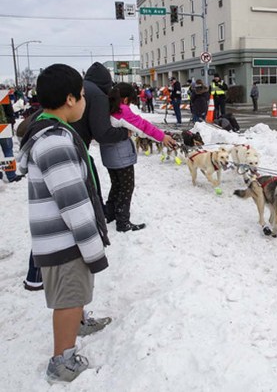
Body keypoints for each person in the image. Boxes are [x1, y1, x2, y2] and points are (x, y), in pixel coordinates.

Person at [17, 64, 111, 383]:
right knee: (69, 296)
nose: (84, 101)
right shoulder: (55, 141)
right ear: (70, 99)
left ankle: (79, 321)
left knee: (77, 291)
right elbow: (72, 202)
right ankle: (62, 359)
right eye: (83, 95)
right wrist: (92, 246)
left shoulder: (50, 130)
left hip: (62, 237)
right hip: (64, 239)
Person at [101, 83, 176, 232]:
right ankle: (123, 222)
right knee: (126, 187)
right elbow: (142, 127)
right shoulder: (121, 110)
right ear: (126, 98)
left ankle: (110, 214)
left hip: (108, 155)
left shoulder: (106, 107)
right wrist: (162, 137)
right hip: (120, 156)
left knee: (116, 185)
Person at [70, 62, 131, 212]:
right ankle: (97, 210)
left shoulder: (83, 87)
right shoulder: (98, 94)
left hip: (67, 141)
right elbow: (103, 133)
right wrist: (125, 133)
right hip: (76, 146)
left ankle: (103, 210)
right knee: (90, 177)